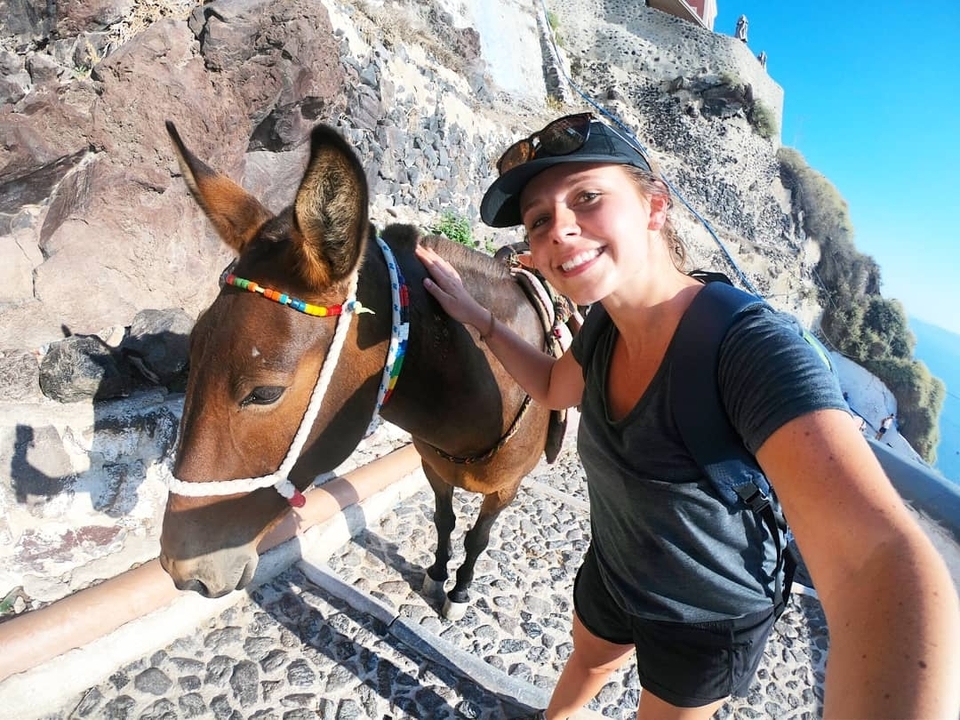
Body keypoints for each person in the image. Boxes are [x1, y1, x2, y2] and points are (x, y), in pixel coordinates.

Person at [415, 112, 960, 719]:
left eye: (587, 198)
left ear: (654, 208)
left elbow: (877, 562)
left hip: (705, 619)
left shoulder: (751, 348)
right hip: (616, 568)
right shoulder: (601, 326)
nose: (560, 229)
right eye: (539, 220)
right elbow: (551, 385)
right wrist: (481, 319)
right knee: (589, 660)